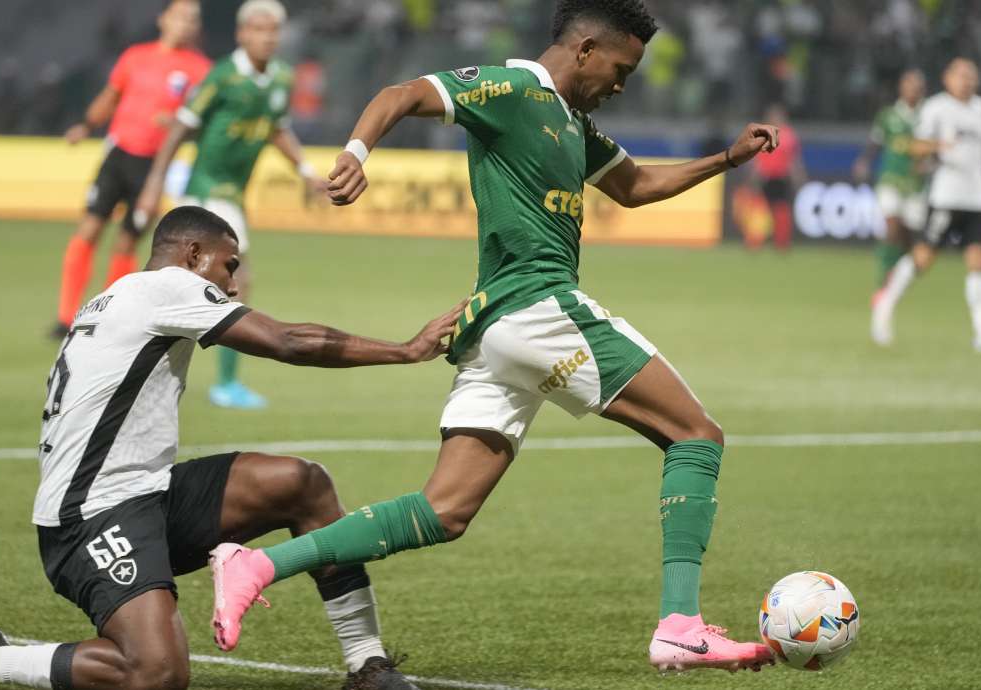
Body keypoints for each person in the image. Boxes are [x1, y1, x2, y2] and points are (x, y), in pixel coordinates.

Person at [208, 0, 780, 674]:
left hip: (494, 331)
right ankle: (681, 625)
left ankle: (258, 563)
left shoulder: (575, 123)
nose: (623, 84)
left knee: (442, 511)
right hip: (537, 307)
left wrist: (725, 160)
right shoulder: (511, 90)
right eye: (621, 68)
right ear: (588, 48)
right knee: (696, 435)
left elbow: (633, 184)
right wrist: (357, 153)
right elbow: (404, 93)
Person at [0, 206, 460, 690]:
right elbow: (286, 341)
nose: (234, 284)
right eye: (228, 265)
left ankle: (367, 664)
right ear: (193, 254)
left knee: (300, 483)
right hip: (89, 518)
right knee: (156, 675)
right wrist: (406, 350)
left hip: (146, 495)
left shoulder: (115, 297)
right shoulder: (168, 287)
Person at [137, 0, 328, 410]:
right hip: (207, 192)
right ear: (242, 34)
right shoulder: (222, 76)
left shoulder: (280, 78)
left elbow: (277, 129)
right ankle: (223, 383)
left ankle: (163, 364)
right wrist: (154, 184)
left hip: (233, 195)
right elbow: (181, 128)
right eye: (258, 29)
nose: (266, 37)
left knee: (191, 288)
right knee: (232, 282)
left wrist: (307, 171)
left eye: (273, 30)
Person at [51, 0, 212, 338]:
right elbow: (110, 97)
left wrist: (180, 124)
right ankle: (65, 317)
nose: (185, 24)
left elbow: (204, 122)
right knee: (89, 229)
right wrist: (85, 124)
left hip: (154, 169)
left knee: (127, 242)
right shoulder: (135, 57)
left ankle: (107, 315)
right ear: (163, 19)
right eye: (181, 16)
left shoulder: (200, 70)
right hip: (119, 154)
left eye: (192, 19)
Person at [871, 58, 981, 352]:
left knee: (980, 261)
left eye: (972, 75)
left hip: (976, 196)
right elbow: (914, 145)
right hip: (946, 197)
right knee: (923, 257)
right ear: (947, 78)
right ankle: (885, 303)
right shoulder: (936, 107)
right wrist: (939, 145)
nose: (968, 80)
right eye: (962, 75)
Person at [854, 69, 928, 293]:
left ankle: (902, 268)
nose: (913, 89)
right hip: (890, 178)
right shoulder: (888, 115)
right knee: (892, 224)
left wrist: (930, 163)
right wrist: (865, 161)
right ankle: (885, 275)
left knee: (908, 234)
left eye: (917, 86)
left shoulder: (929, 115)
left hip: (916, 184)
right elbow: (875, 142)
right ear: (901, 88)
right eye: (909, 84)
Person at [752, 102, 805, 251]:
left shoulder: (788, 135)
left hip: (781, 178)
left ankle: (781, 242)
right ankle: (757, 241)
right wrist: (754, 177)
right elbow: (758, 159)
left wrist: (797, 177)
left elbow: (794, 160)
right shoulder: (764, 134)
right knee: (762, 210)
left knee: (781, 210)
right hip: (766, 177)